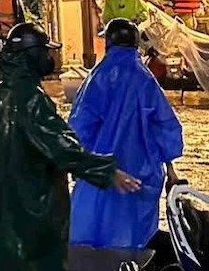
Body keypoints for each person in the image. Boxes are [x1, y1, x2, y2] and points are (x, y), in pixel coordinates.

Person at [0, 22, 141, 271]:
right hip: (32, 212)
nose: (50, 57)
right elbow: (62, 148)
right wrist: (108, 171)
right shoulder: (31, 101)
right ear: (32, 56)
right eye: (45, 51)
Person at [69, 19, 184, 256]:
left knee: (92, 242)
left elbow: (78, 128)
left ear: (109, 43)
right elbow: (165, 127)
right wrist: (171, 170)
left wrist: (82, 164)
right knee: (134, 240)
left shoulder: (96, 78)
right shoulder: (146, 80)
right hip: (142, 174)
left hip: (103, 171)